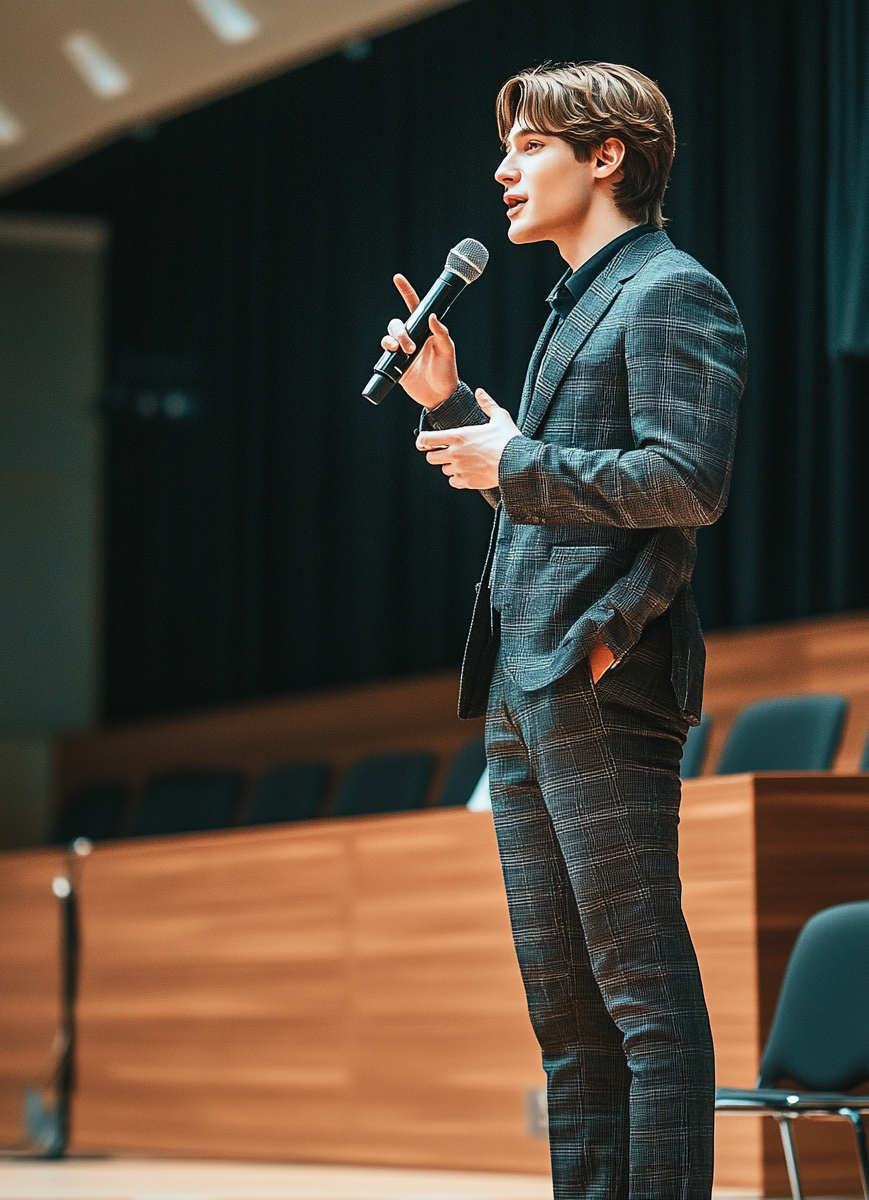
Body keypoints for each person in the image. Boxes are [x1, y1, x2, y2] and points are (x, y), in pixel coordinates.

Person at [379, 62, 746, 1200]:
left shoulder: (673, 290)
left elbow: (687, 482)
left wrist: (517, 458)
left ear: (608, 157)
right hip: (522, 684)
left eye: (529, 147)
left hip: (598, 671)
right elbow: (553, 487)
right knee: (569, 1018)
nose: (502, 169)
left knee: (642, 1001)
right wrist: (455, 411)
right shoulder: (576, 300)